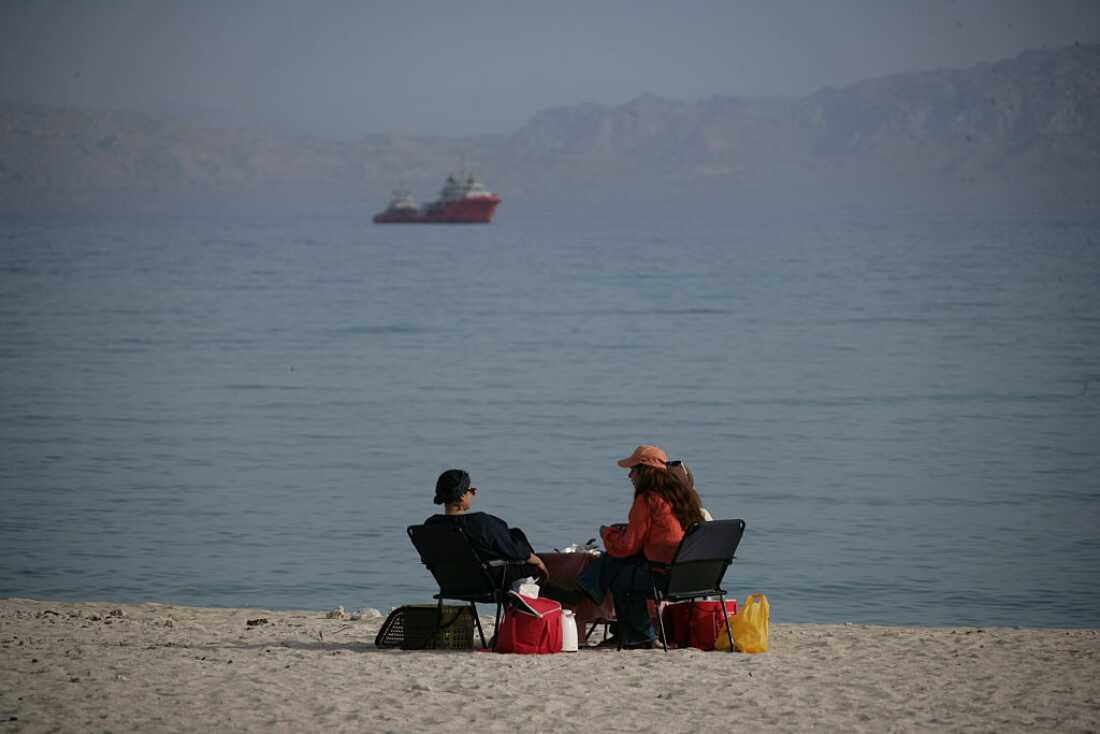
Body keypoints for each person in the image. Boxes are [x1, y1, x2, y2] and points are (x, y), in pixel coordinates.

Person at [575, 445, 706, 649]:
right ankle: (595, 598)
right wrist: (626, 531)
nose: (629, 475)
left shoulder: (647, 499)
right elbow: (662, 533)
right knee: (614, 563)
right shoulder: (683, 497)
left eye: (632, 470)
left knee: (617, 572)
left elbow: (627, 546)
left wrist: (606, 533)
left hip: (663, 577)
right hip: (690, 574)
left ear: (644, 471)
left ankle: (636, 634)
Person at [424, 469, 549, 584]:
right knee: (518, 539)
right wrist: (538, 561)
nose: (473, 494)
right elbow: (512, 549)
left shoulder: (431, 525)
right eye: (471, 490)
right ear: (462, 495)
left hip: (452, 583)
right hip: (487, 582)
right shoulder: (480, 523)